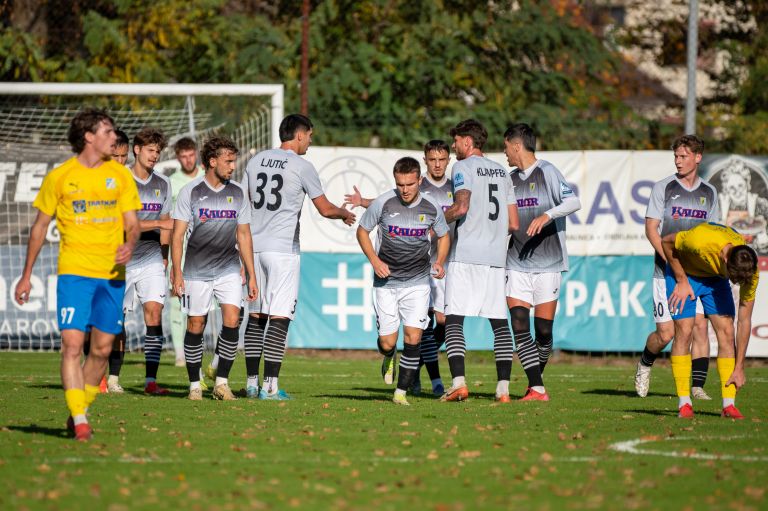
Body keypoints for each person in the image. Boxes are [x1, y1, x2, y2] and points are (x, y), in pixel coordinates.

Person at [14, 108, 140, 441]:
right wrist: (26, 275)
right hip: (74, 273)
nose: (114, 137)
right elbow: (40, 227)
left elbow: (133, 224)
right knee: (72, 345)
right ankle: (81, 419)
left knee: (100, 350)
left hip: (112, 274)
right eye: (108, 131)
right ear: (89, 136)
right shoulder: (60, 177)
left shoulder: (121, 175)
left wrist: (130, 243)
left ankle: (78, 407)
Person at [241, 114, 355, 400]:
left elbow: (242, 207)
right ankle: (270, 387)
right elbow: (325, 209)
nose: (311, 141)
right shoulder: (302, 166)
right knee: (279, 317)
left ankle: (252, 384)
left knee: (256, 316)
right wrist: (343, 213)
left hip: (253, 246)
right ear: (300, 135)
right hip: (282, 250)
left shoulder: (255, 162)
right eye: (310, 136)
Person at [344, 139, 454, 396]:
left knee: (414, 337)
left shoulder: (430, 206)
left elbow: (444, 235)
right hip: (387, 283)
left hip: (418, 282)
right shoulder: (383, 203)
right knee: (387, 342)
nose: (404, 190)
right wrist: (375, 261)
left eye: (409, 185)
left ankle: (401, 392)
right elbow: (362, 232)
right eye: (400, 185)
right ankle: (388, 355)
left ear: (419, 181)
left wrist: (439, 261)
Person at [171, 136, 258, 401]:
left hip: (229, 269)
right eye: (228, 161)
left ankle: (221, 383)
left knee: (233, 319)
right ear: (212, 161)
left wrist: (251, 273)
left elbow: (243, 235)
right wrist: (177, 272)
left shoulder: (238, 193)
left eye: (234, 161)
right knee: (196, 324)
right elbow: (177, 236)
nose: (233, 166)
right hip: (196, 270)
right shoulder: (191, 192)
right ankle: (194, 385)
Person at [440, 119, 519, 402]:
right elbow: (513, 222)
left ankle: (459, 383)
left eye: (456, 140)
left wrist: (436, 221)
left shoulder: (462, 167)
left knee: (454, 320)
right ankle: (503, 390)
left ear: (467, 142)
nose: (453, 146)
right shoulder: (502, 171)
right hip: (496, 258)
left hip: (467, 255)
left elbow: (461, 207)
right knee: (499, 323)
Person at [634, 135, 719, 399]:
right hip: (665, 273)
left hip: (698, 274)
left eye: (683, 156)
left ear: (697, 157)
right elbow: (651, 230)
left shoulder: (709, 192)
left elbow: (713, 233)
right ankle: (645, 362)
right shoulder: (664, 187)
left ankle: (697, 386)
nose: (678, 161)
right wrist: (672, 261)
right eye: (676, 156)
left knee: (699, 326)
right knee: (666, 333)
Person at [503, 123, 581, 401]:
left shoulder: (547, 171)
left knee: (544, 332)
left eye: (506, 148)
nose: (505, 154)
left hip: (548, 264)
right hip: (515, 263)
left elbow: (574, 202)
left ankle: (535, 383)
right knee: (519, 322)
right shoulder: (508, 180)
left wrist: (547, 215)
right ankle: (537, 387)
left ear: (516, 145)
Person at [662, 222, 758, 419]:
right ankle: (684, 403)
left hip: (714, 278)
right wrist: (681, 280)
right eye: (734, 279)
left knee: (727, 332)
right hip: (686, 274)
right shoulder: (699, 241)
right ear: (724, 258)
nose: (738, 284)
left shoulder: (748, 269)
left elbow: (745, 320)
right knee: (685, 331)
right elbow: (666, 242)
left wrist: (740, 366)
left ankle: (728, 406)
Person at [112, 127, 173, 395]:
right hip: (121, 258)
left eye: (158, 152)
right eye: (150, 150)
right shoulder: (120, 180)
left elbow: (168, 225)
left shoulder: (163, 183)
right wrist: (159, 223)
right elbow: (123, 223)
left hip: (150, 258)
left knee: (155, 313)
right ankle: (112, 378)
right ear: (136, 150)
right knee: (116, 322)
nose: (155, 156)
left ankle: (150, 381)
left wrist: (165, 257)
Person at [168, 137, 203, 368]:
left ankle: (211, 351)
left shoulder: (208, 176)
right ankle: (180, 352)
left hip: (206, 248)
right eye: (183, 156)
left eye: (191, 155)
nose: (188, 159)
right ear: (178, 157)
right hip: (181, 245)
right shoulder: (172, 182)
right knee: (175, 297)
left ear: (197, 154)